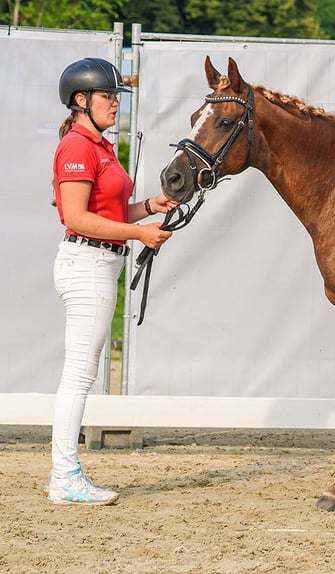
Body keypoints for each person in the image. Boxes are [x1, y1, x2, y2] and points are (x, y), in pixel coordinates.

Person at [47, 57, 176, 505]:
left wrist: (148, 207)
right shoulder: (79, 148)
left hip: (101, 264)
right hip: (88, 264)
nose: (115, 104)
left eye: (116, 97)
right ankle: (64, 476)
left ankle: (65, 474)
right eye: (108, 96)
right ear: (81, 100)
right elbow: (80, 218)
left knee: (81, 373)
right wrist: (140, 234)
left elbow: (109, 212)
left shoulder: (98, 146)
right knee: (79, 375)